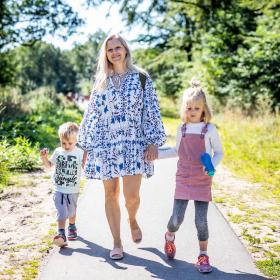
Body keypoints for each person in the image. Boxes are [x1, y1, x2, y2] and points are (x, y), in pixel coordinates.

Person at [78, 34, 166, 260]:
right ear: (105, 55)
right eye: (110, 50)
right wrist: (86, 147)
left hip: (134, 144)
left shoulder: (142, 78)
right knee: (110, 193)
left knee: (132, 197)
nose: (114, 52)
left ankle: (132, 218)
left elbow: (152, 110)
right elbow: (91, 116)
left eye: (118, 47)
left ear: (126, 50)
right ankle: (117, 242)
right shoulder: (100, 82)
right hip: (106, 145)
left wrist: (153, 141)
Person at [158, 79, 223, 273]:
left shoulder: (210, 129)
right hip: (184, 177)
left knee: (200, 221)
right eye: (189, 108)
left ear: (204, 109)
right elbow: (177, 150)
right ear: (184, 108)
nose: (192, 111)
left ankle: (203, 256)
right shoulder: (182, 128)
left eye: (196, 108)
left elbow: (219, 153)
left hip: (203, 179)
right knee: (177, 218)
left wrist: (211, 165)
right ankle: (169, 235)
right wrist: (155, 155)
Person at [40, 122, 86, 247]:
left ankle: (72, 226)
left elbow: (86, 166)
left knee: (71, 212)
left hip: (73, 189)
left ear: (76, 140)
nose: (66, 146)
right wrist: (44, 158)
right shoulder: (58, 152)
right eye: (63, 143)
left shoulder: (80, 153)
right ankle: (61, 234)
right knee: (61, 212)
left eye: (70, 143)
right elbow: (49, 166)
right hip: (58, 188)